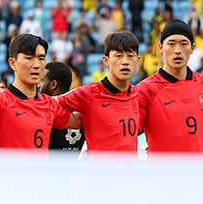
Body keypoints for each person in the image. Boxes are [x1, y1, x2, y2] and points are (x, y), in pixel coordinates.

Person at [136, 19, 203, 157]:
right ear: (160, 47)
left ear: (192, 48)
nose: (177, 50)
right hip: (161, 171)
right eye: (171, 44)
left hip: (198, 171)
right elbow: (128, 134)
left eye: (183, 44)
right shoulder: (145, 89)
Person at [0, 33, 81, 155]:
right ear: (12, 63)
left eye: (41, 58)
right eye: (29, 58)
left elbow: (79, 121)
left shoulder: (50, 104)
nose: (36, 65)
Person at [55, 29, 140, 157]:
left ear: (138, 61)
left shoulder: (140, 95)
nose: (125, 62)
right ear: (106, 60)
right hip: (98, 170)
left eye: (130, 56)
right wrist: (71, 121)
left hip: (131, 170)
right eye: (118, 56)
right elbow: (49, 104)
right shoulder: (88, 93)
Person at [39, 60, 85, 152]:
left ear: (53, 84)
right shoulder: (83, 112)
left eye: (42, 81)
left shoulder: (44, 113)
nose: (38, 85)